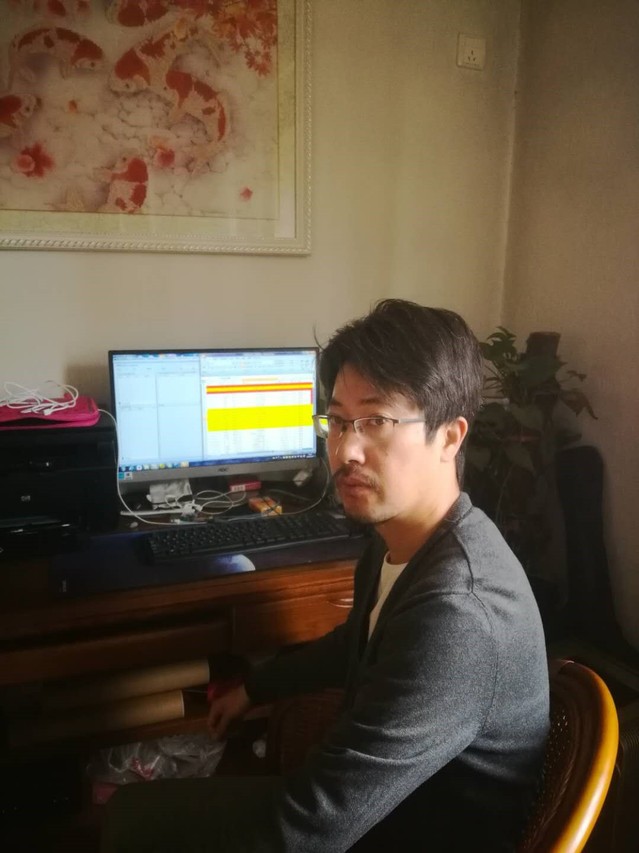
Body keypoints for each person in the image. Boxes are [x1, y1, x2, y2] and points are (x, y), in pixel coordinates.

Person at [102, 299, 549, 852]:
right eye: (337, 421)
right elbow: (355, 643)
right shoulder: (402, 540)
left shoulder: (459, 612)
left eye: (376, 421)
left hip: (403, 832)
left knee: (132, 822)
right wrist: (254, 688)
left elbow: (310, 827)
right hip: (378, 807)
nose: (345, 449)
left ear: (450, 438)